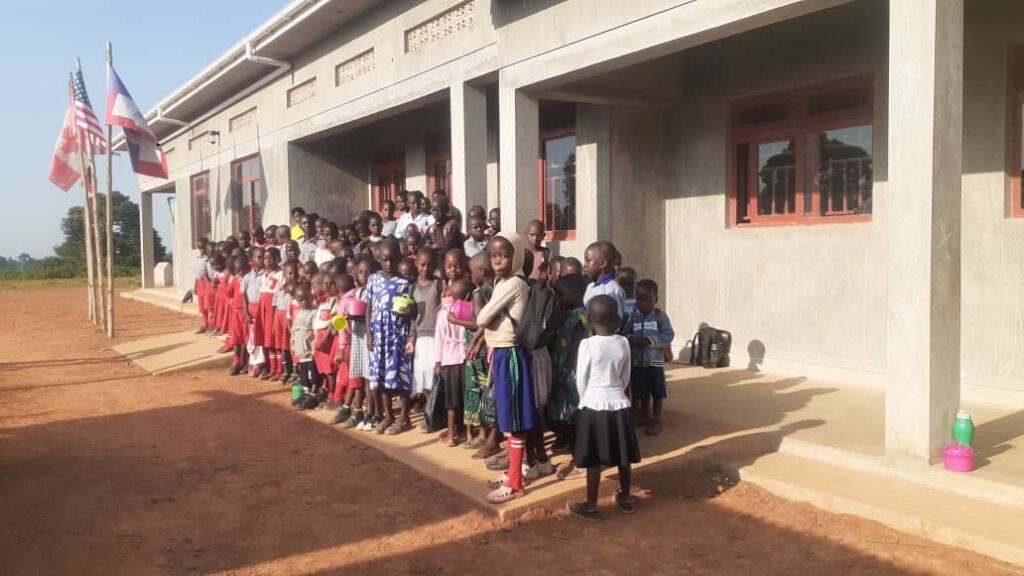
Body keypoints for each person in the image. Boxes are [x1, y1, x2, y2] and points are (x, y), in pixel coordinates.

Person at [469, 231, 535, 504]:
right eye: (494, 255)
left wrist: (484, 312)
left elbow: (483, 316)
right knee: (507, 417)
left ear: (515, 257)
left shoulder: (512, 284)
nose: (497, 260)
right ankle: (513, 472)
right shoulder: (504, 282)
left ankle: (516, 482)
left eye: (504, 255)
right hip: (501, 352)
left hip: (509, 354)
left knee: (514, 418)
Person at [567, 294, 641, 522]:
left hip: (594, 403)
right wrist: (617, 390)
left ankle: (591, 506)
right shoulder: (624, 342)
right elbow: (626, 375)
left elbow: (581, 377)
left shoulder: (587, 344)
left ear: (589, 319)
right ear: (617, 320)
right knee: (623, 455)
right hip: (618, 402)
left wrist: (583, 399)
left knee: (593, 459)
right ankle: (626, 498)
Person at [447, 252, 496, 457]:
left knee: (477, 389)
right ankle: (486, 433)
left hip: (477, 350)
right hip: (489, 348)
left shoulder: (478, 293)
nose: (470, 275)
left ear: (481, 271)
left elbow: (478, 322)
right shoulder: (496, 289)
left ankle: (483, 434)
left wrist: (455, 321)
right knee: (487, 390)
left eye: (472, 271)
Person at [365, 239, 416, 434]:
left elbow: (412, 311)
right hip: (379, 335)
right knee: (381, 375)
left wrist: (407, 313)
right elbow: (368, 308)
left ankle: (404, 417)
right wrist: (369, 334)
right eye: (385, 260)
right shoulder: (373, 279)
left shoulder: (405, 282)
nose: (389, 264)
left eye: (393, 260)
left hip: (398, 336)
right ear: (379, 260)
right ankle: (388, 416)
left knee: (401, 376)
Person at [624, 279, 675, 436]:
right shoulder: (633, 317)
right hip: (638, 362)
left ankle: (656, 419)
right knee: (640, 390)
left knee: (657, 391)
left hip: (654, 363)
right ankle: (643, 415)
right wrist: (631, 339)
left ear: (655, 300)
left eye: (647, 300)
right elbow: (625, 332)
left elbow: (668, 335)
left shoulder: (660, 317)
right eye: (639, 299)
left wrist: (650, 341)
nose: (642, 303)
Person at [435, 277, 471, 446]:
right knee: (466, 397)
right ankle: (469, 433)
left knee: (451, 401)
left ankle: (451, 435)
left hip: (449, 359)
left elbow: (439, 339)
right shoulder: (468, 310)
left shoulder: (443, 314)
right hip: (464, 358)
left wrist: (437, 362)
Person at [410, 247, 443, 406]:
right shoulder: (413, 288)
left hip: (435, 336)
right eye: (422, 265)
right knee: (422, 374)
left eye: (430, 265)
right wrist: (412, 338)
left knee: (433, 375)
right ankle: (429, 410)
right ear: (416, 264)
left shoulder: (438, 284)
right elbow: (413, 317)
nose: (426, 268)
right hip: (420, 338)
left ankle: (434, 412)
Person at [349, 254, 377, 431]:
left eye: (368, 272)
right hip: (358, 338)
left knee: (371, 378)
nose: (365, 276)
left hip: (370, 338)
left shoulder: (373, 292)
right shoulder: (358, 292)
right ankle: (367, 411)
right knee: (364, 377)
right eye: (361, 272)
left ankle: (374, 413)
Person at [290, 284, 321, 408]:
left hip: (309, 351)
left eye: (306, 299)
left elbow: (316, 332)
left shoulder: (314, 312)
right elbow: (294, 330)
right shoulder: (299, 313)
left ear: (311, 297)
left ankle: (313, 395)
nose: (303, 302)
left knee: (312, 375)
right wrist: (292, 344)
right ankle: (306, 393)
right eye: (300, 300)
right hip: (301, 351)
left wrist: (314, 348)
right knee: (303, 375)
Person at [258, 249, 285, 380]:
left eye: (270, 258)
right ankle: (272, 368)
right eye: (265, 258)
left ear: (278, 259)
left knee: (274, 339)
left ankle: (279, 370)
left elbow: (279, 294)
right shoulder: (263, 274)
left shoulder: (281, 274)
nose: (267, 261)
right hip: (263, 309)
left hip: (273, 309)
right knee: (267, 339)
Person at [582, 241, 625, 316]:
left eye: (588, 261)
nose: (584, 265)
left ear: (603, 264)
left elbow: (616, 319)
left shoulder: (613, 290)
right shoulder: (590, 287)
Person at [240, 247, 265, 376]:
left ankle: (263, 364)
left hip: (261, 309)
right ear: (252, 260)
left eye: (264, 257)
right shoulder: (247, 277)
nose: (262, 260)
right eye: (259, 257)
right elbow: (243, 296)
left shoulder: (266, 276)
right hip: (251, 309)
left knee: (261, 337)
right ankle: (252, 363)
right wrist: (246, 313)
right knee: (251, 338)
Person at [274, 260, 298, 384]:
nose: (293, 276)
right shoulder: (280, 289)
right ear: (283, 275)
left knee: (293, 347)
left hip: (291, 321)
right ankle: (285, 370)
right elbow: (276, 307)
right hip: (280, 321)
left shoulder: (298, 290)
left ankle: (295, 371)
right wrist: (274, 323)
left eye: (295, 273)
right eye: (290, 273)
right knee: (283, 347)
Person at [225, 256, 249, 375]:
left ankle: (244, 363)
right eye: (238, 270)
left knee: (245, 339)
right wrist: (231, 301)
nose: (240, 272)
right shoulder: (235, 280)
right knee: (236, 339)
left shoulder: (249, 279)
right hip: (236, 314)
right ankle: (236, 362)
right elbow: (227, 292)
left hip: (246, 314)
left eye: (243, 269)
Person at [194, 238, 211, 334]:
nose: (201, 250)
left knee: (208, 304)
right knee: (201, 306)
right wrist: (195, 285)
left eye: (203, 247)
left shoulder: (209, 259)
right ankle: (204, 325)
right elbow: (197, 274)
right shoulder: (198, 259)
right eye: (199, 248)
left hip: (207, 283)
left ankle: (211, 325)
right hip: (200, 283)